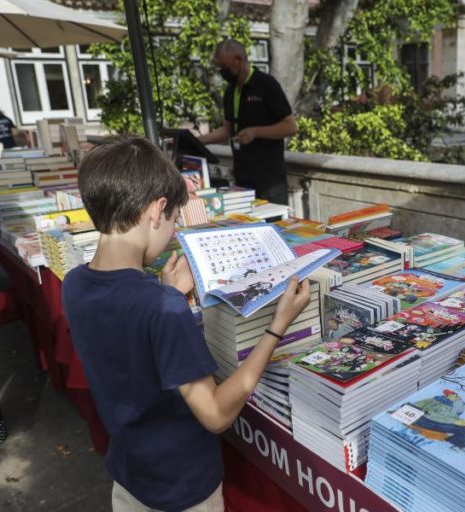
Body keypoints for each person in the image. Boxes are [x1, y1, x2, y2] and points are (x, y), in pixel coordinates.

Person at [61, 135, 310, 511]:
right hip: (184, 489)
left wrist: (169, 295)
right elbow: (215, 415)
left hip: (130, 478)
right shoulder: (160, 307)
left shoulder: (74, 283)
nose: (174, 233)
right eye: (175, 220)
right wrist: (277, 327)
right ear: (157, 210)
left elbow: (127, 345)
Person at [198, 39, 297, 205]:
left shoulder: (266, 84)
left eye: (225, 67)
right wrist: (196, 141)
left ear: (238, 60)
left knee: (274, 224)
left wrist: (256, 132)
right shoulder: (230, 91)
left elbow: (290, 127)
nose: (223, 72)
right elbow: (227, 131)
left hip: (270, 179)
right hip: (242, 177)